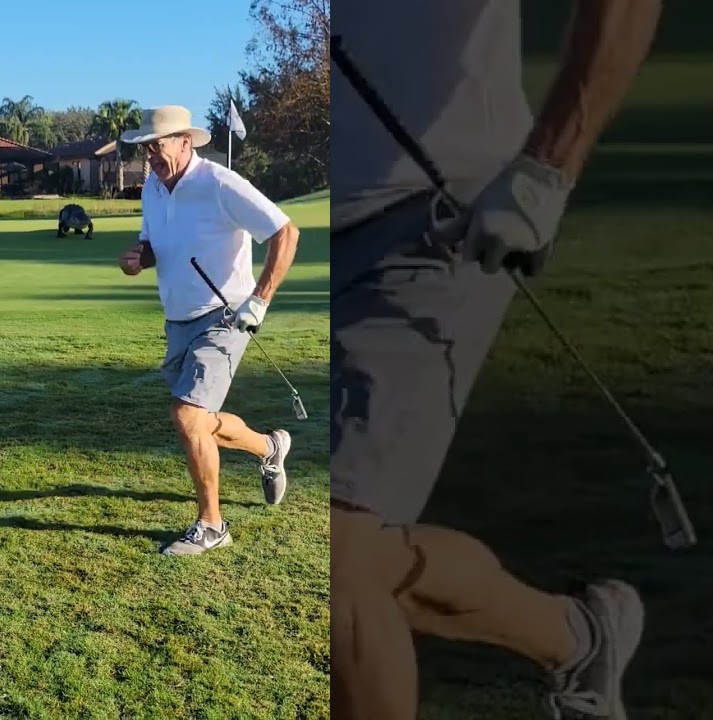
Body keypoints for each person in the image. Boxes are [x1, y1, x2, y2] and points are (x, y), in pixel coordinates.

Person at [329, 1, 663, 718]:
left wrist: (549, 166)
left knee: (334, 552)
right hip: (321, 230)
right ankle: (578, 635)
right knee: (357, 553)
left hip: (437, 213)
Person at [116, 105, 302, 556]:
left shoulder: (219, 183)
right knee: (200, 421)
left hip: (224, 316)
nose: (150, 158)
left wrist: (259, 300)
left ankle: (212, 525)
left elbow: (285, 231)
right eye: (145, 150)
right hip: (177, 320)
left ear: (185, 142)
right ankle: (269, 447)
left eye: (157, 147)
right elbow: (156, 244)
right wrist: (140, 257)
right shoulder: (153, 191)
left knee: (185, 417)